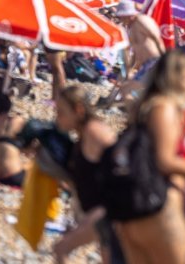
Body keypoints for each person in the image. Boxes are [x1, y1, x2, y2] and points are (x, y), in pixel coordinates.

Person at [114, 51, 185, 264]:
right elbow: (165, 161)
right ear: (175, 77)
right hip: (159, 204)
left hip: (135, 203)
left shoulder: (148, 107)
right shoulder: (164, 107)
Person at [53, 85, 119, 263]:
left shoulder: (95, 133)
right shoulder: (83, 135)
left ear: (79, 110)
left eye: (61, 112)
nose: (57, 118)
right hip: (99, 214)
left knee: (61, 249)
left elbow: (122, 168)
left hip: (108, 214)